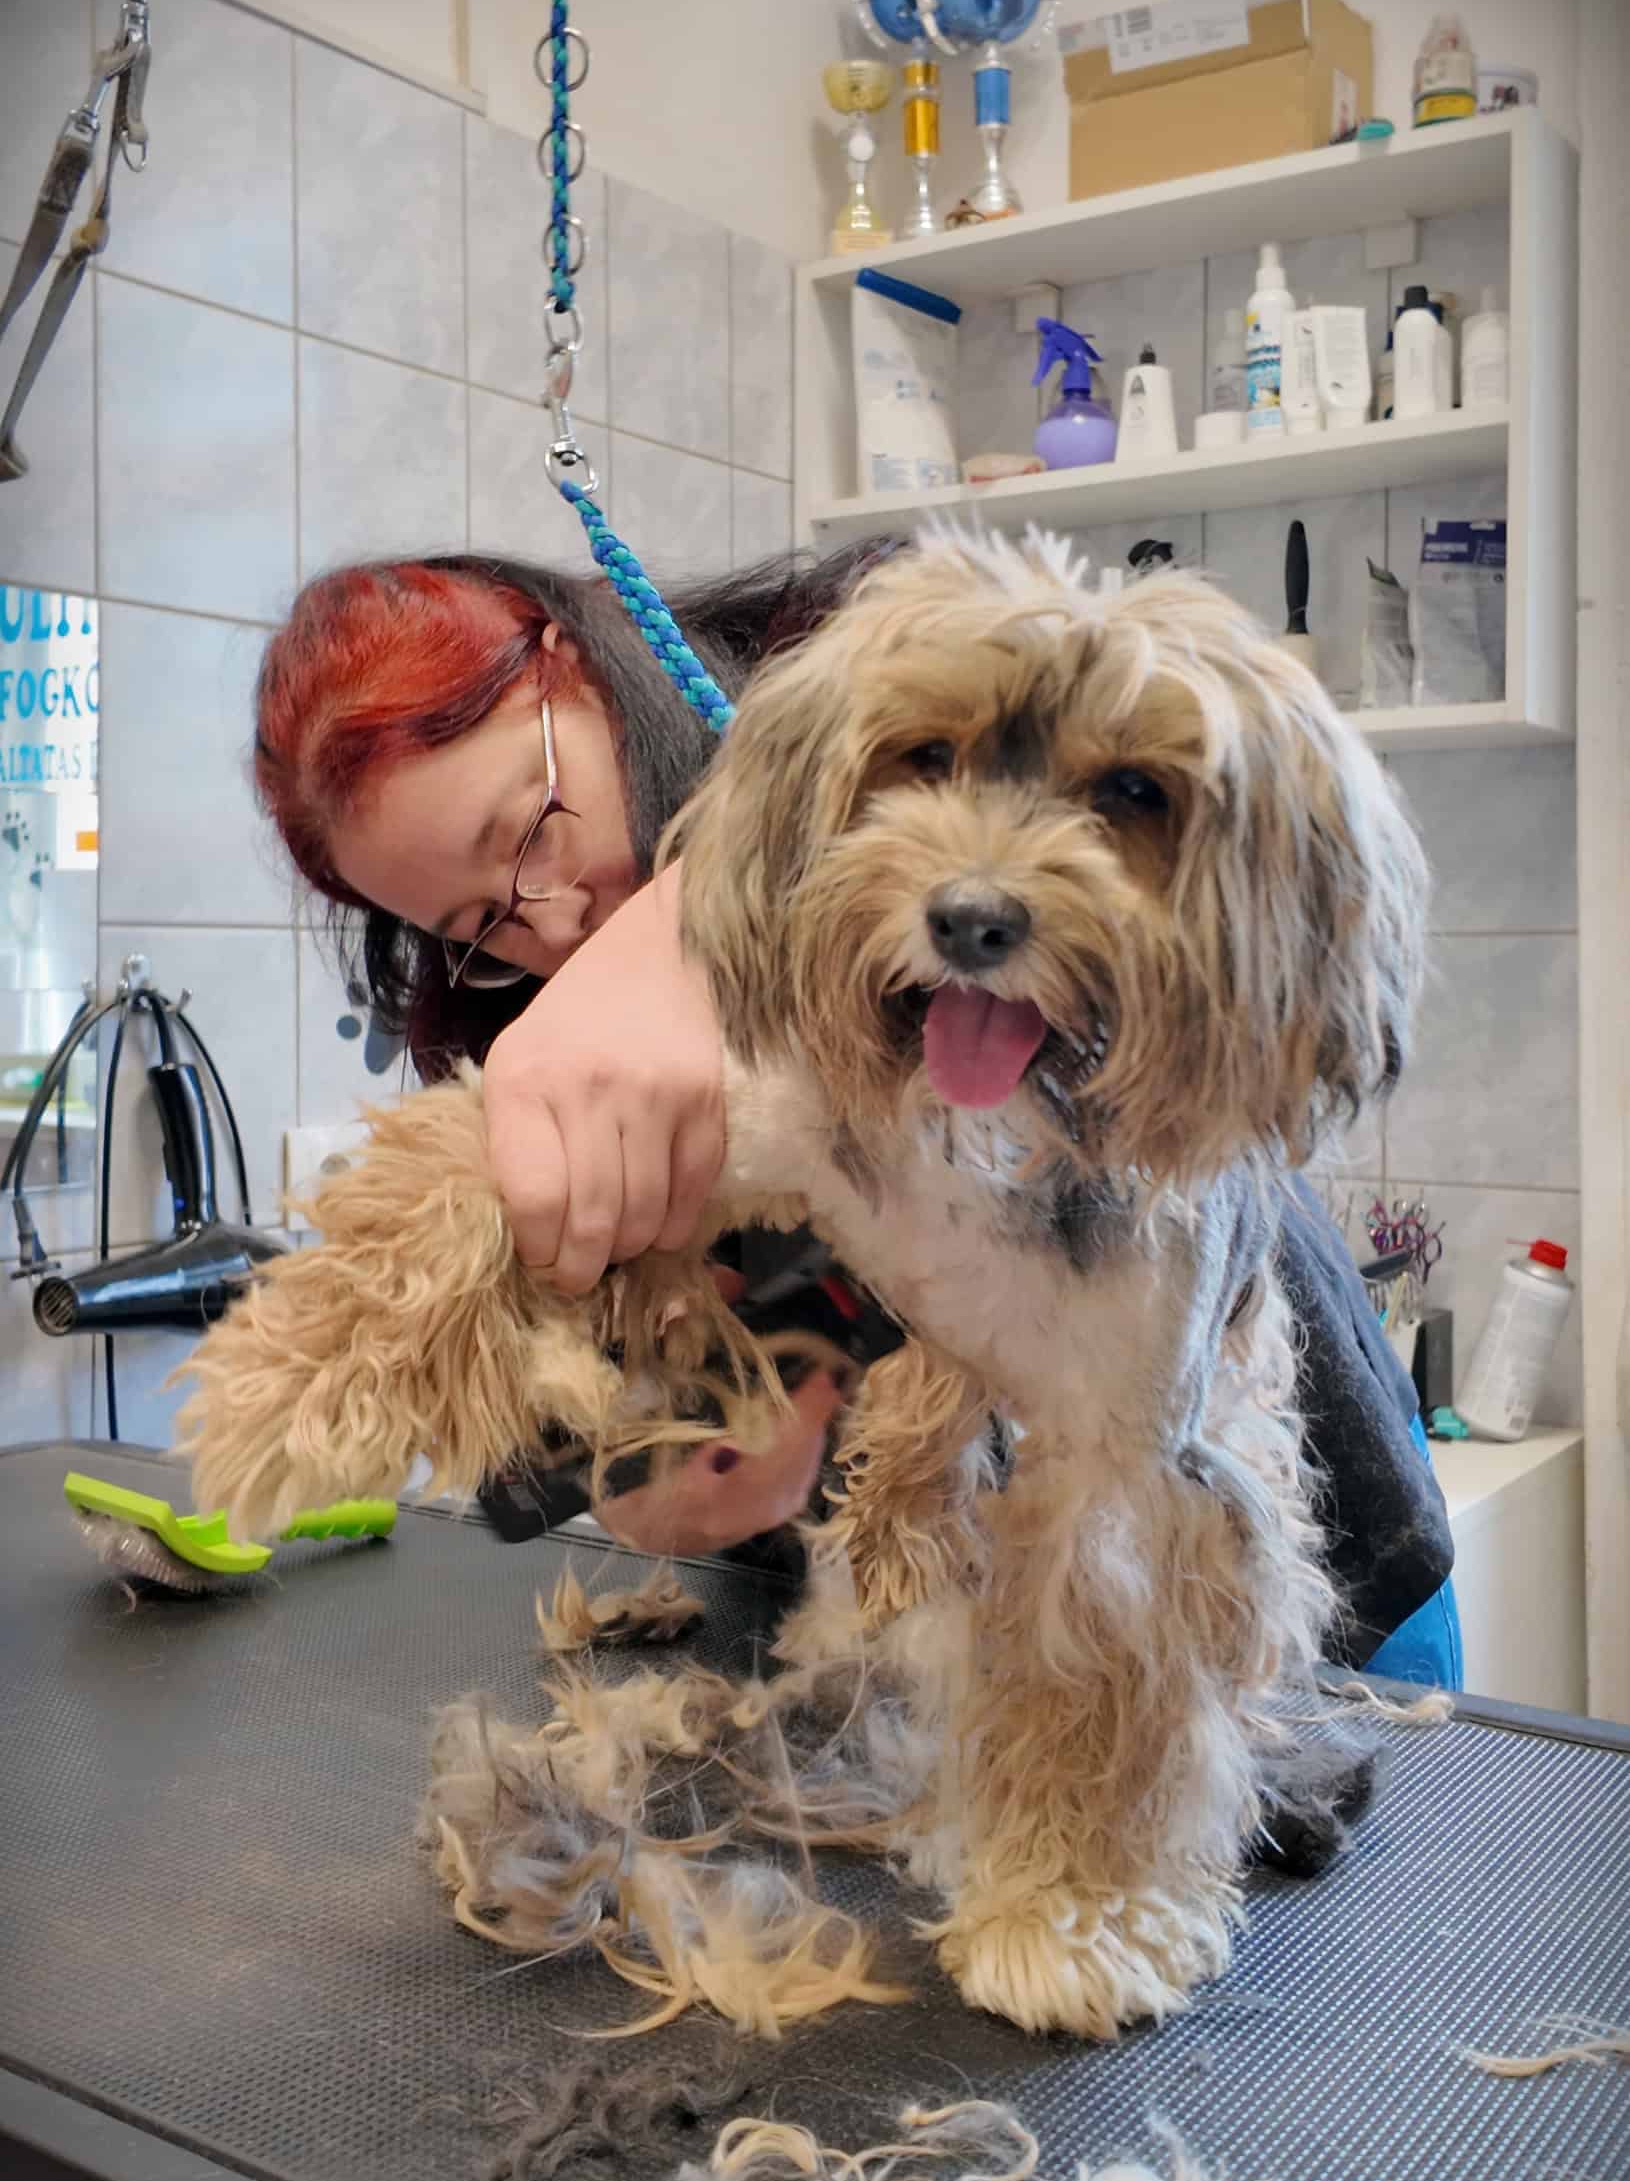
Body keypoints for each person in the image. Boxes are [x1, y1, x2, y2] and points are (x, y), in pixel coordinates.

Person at [252, 545, 1458, 1678]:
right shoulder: (527, 1036)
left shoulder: (862, 679)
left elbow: (1086, 702)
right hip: (894, 1637)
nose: (555, 920)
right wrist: (645, 1461)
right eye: (480, 924)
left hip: (1284, 1538)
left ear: (564, 669)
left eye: (531, 833)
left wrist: (692, 910)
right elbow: (560, 1442)